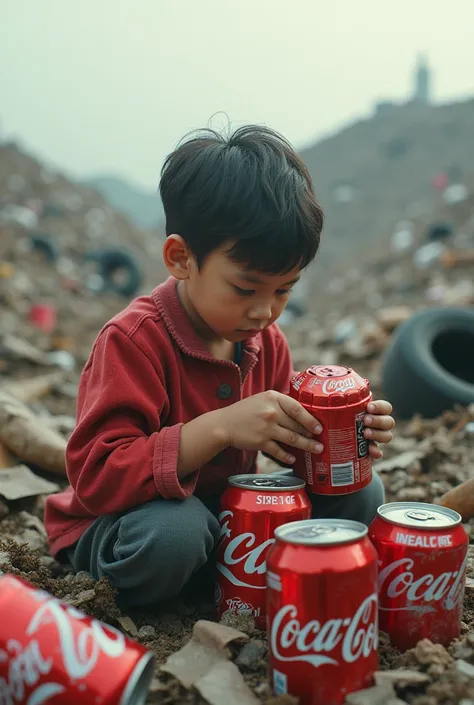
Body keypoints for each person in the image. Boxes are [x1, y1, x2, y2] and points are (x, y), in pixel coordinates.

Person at [44, 125, 395, 607]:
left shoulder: (265, 342)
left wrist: (344, 440)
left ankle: (232, 577)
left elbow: (289, 450)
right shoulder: (133, 342)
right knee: (176, 533)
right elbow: (99, 476)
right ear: (181, 258)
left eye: (284, 290)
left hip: (229, 516)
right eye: (245, 289)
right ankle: (169, 588)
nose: (264, 311)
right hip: (129, 522)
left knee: (361, 491)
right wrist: (219, 428)